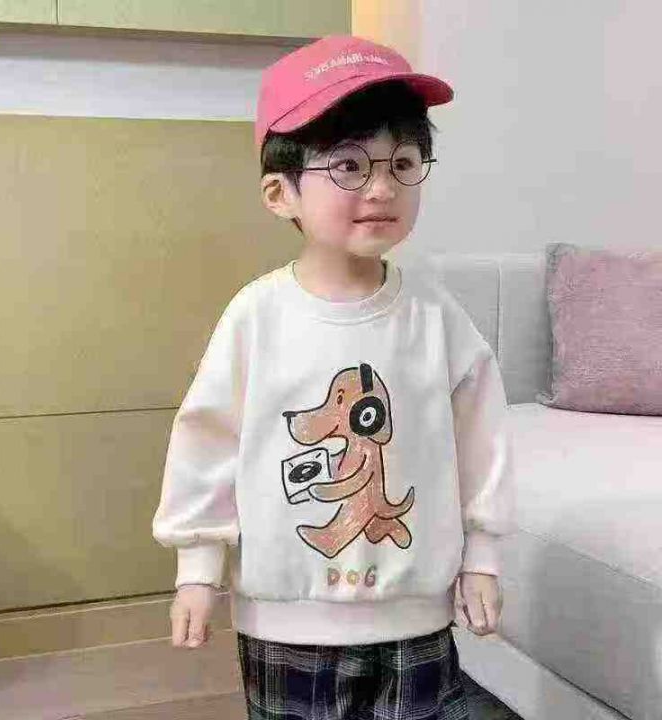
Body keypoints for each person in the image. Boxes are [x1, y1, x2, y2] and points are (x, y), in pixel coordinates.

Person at [152, 34, 516, 719]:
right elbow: (207, 443)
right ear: (279, 192)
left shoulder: (435, 315)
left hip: (417, 615)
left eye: (402, 163)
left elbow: (482, 440)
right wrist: (197, 569)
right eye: (348, 164)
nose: (382, 187)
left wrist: (483, 558)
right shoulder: (256, 316)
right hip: (286, 620)